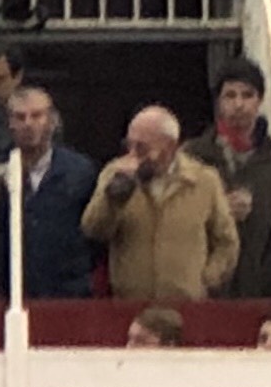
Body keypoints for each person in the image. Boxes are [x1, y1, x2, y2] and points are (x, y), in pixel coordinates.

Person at [80, 105, 239, 300]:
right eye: (129, 145)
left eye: (142, 148)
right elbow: (93, 231)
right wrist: (113, 198)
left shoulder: (204, 181)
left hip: (186, 305)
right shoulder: (115, 173)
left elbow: (226, 242)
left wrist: (205, 280)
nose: (133, 155)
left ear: (170, 146)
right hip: (130, 305)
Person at [183, 58, 271, 298]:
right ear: (218, 102)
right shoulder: (193, 156)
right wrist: (219, 210)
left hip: (259, 285)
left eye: (247, 95)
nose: (238, 104)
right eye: (230, 95)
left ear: (260, 100)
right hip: (205, 286)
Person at [0, 83, 98, 298]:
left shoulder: (80, 172)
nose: (28, 124)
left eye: (36, 116)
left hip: (68, 293)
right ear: (9, 123)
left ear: (52, 120)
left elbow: (95, 232)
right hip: (12, 292)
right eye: (20, 117)